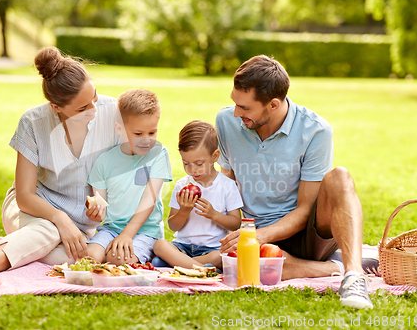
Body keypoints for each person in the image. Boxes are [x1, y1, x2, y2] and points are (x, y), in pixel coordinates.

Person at [0, 47, 122, 290]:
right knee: (48, 232)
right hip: (30, 209)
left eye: (95, 97)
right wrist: (60, 219)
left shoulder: (114, 113)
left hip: (80, 224)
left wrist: (101, 203)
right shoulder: (33, 123)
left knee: (74, 257)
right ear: (56, 107)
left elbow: (126, 173)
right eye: (82, 109)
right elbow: (25, 196)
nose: (94, 109)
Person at [216, 55, 373, 309]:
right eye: (235, 103)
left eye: (245, 108)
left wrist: (261, 235)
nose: (236, 113)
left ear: (274, 105)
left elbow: (304, 211)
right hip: (251, 235)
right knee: (256, 266)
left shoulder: (316, 131)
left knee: (340, 176)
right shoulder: (226, 122)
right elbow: (226, 185)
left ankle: (354, 276)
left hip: (304, 235)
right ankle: (330, 267)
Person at [85, 89, 173, 266]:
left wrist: (127, 235)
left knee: (118, 260)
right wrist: (95, 213)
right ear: (119, 129)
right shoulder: (104, 161)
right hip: (111, 229)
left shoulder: (158, 154)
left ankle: (151, 258)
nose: (146, 140)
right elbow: (100, 205)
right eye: (138, 134)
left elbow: (149, 200)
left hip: (145, 231)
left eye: (152, 133)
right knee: (90, 258)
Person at [153, 120, 242, 269]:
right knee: (159, 245)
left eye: (199, 164)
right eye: (186, 163)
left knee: (220, 257)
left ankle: (182, 266)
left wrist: (214, 214)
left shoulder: (227, 185)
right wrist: (183, 210)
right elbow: (173, 226)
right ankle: (201, 268)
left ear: (215, 157)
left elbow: (236, 223)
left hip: (211, 249)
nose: (192, 169)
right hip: (182, 248)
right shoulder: (182, 185)